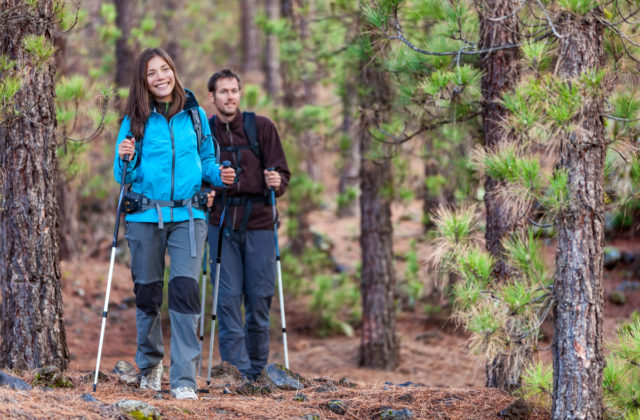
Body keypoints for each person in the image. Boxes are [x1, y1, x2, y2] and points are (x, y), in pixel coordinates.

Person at [114, 48, 235, 400]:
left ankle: (184, 379)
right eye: (151, 73)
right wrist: (125, 158)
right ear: (144, 80)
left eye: (164, 69)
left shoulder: (195, 115)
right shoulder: (135, 119)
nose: (160, 77)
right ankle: (150, 368)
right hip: (144, 216)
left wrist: (220, 174)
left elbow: (206, 161)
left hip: (188, 216)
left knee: (184, 294)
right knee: (148, 293)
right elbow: (122, 175)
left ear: (173, 71)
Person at [206, 69, 290, 380]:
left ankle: (257, 372)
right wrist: (206, 193)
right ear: (212, 97)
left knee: (259, 299)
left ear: (240, 94)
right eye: (223, 91)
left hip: (260, 224)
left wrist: (276, 180)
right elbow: (196, 175)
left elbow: (282, 173)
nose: (229, 96)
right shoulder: (205, 133)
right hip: (221, 224)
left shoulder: (262, 128)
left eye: (234, 90)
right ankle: (237, 374)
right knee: (226, 301)